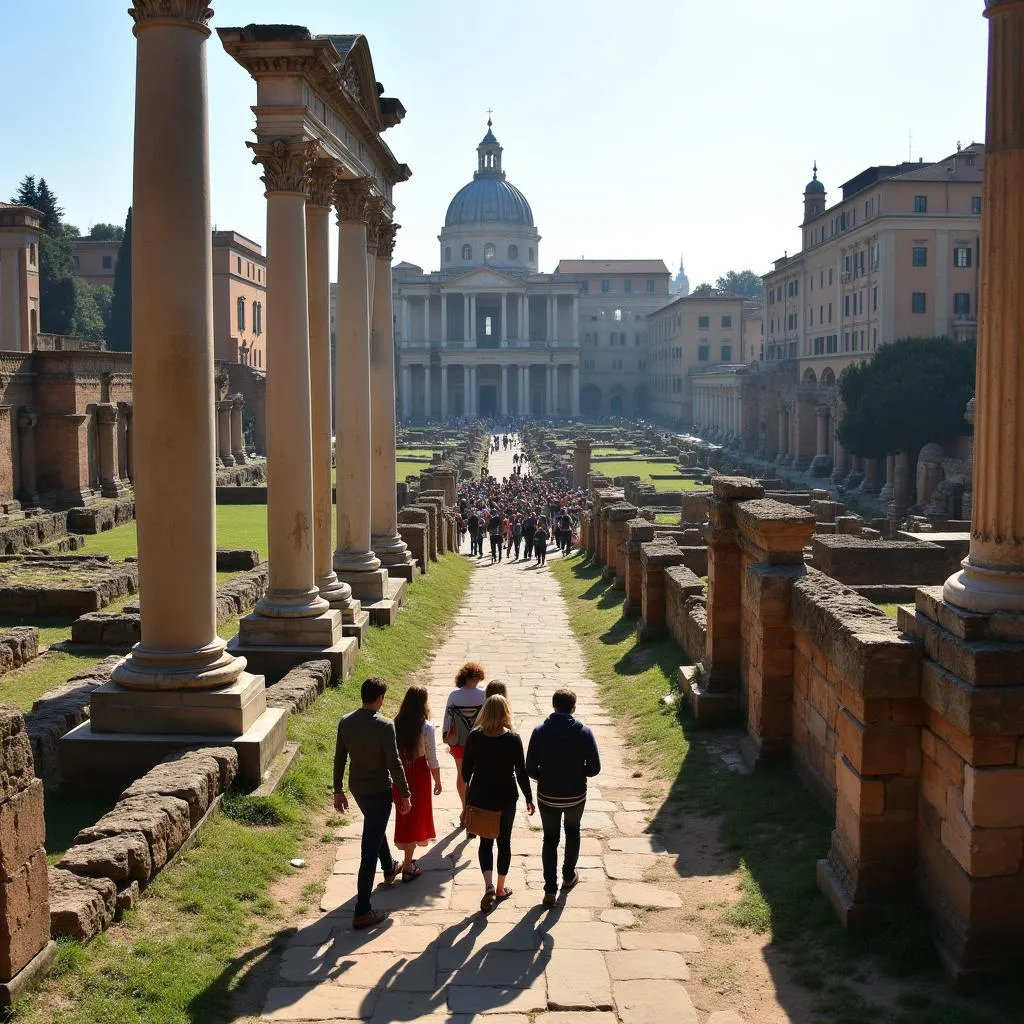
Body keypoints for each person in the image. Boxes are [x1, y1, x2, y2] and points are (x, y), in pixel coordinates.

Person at [333, 677, 411, 929]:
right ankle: (362, 910)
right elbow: (394, 762)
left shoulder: (346, 721)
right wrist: (406, 792)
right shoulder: (385, 726)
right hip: (379, 790)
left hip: (357, 788)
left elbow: (339, 759)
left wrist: (338, 791)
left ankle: (389, 867)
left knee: (375, 828)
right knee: (369, 849)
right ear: (379, 699)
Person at [526, 688, 601, 908]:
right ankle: (568, 875)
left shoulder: (539, 731)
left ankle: (550, 889)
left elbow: (530, 768)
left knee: (550, 839)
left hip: (548, 795)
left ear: (553, 705)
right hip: (575, 794)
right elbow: (595, 768)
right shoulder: (584, 732)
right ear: (573, 707)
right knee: (573, 830)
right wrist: (581, 772)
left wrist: (544, 776)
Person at [461, 695, 535, 911]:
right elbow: (521, 772)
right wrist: (529, 797)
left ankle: (488, 886)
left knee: (485, 842)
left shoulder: (475, 737)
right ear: (506, 712)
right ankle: (501, 888)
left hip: (481, 796)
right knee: (504, 842)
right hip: (506, 797)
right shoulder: (513, 739)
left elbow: (466, 772)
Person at [392, 685, 442, 881]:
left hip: (400, 772)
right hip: (419, 774)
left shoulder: (395, 723)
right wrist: (437, 780)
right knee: (416, 816)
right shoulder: (426, 727)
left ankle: (405, 860)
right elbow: (432, 759)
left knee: (404, 815)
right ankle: (407, 866)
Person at [443, 661, 487, 816]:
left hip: (459, 742)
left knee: (461, 775)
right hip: (480, 741)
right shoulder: (483, 694)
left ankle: (464, 808)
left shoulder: (454, 695)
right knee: (477, 775)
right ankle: (474, 809)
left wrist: (446, 735)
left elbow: (448, 718)